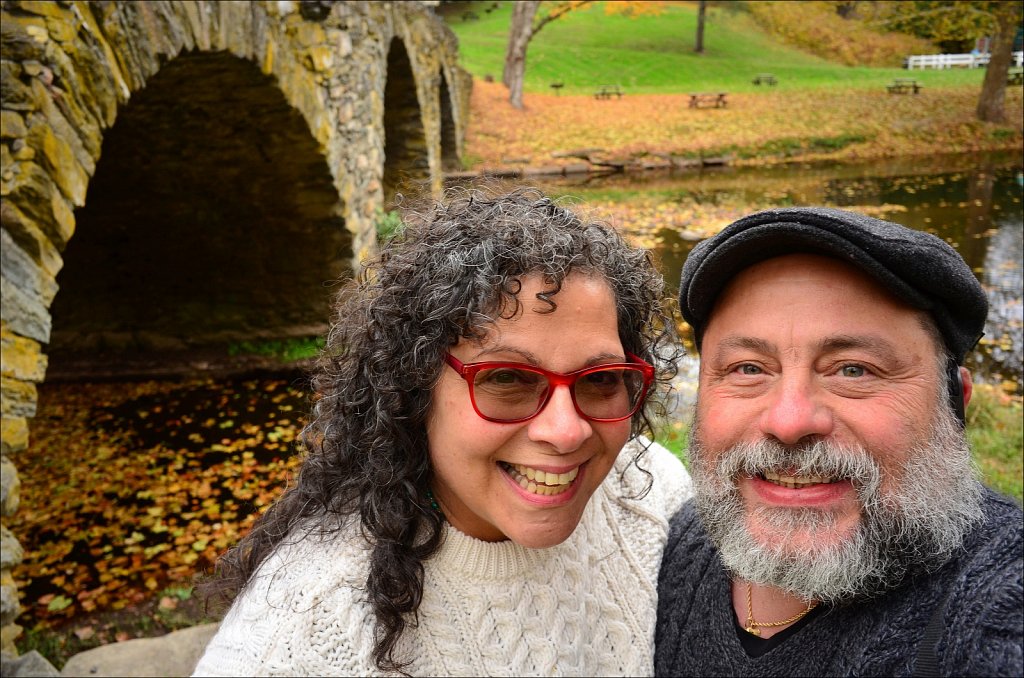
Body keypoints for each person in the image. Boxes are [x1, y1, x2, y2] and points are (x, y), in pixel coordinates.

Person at [194, 187, 691, 676]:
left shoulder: (651, 494)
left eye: (600, 379)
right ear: (414, 389)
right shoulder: (303, 636)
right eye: (507, 379)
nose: (565, 433)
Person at [655, 207, 1024, 677]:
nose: (789, 422)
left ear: (956, 405)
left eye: (853, 369)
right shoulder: (677, 540)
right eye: (749, 368)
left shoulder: (996, 603)